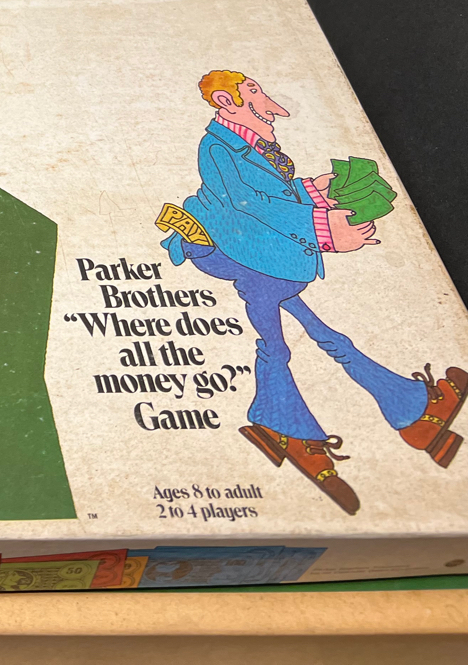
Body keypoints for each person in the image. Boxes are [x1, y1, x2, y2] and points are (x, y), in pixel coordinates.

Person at [160, 71, 465, 514]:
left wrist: (314, 190)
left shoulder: (250, 138)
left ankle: (402, 415)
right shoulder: (217, 146)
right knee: (279, 341)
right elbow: (246, 204)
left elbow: (271, 192)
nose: (265, 99)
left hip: (251, 248)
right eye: (253, 92)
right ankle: (302, 425)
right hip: (229, 247)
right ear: (227, 101)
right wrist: (324, 229)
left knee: (316, 334)